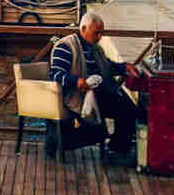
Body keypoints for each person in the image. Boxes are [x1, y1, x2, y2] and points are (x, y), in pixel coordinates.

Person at [49, 11, 146, 164]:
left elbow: (108, 66)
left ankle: (119, 147)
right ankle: (118, 149)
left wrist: (124, 67)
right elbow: (55, 74)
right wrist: (78, 81)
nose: (100, 37)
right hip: (78, 97)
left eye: (102, 33)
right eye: (97, 33)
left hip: (98, 93)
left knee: (130, 108)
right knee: (125, 109)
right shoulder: (66, 46)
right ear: (83, 29)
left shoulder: (95, 47)